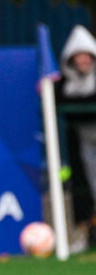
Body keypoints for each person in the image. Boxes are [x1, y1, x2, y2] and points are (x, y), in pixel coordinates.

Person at [55, 24, 96, 250]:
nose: (83, 61)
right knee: (83, 186)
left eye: (86, 56)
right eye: (78, 57)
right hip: (81, 140)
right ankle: (82, 232)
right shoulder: (63, 85)